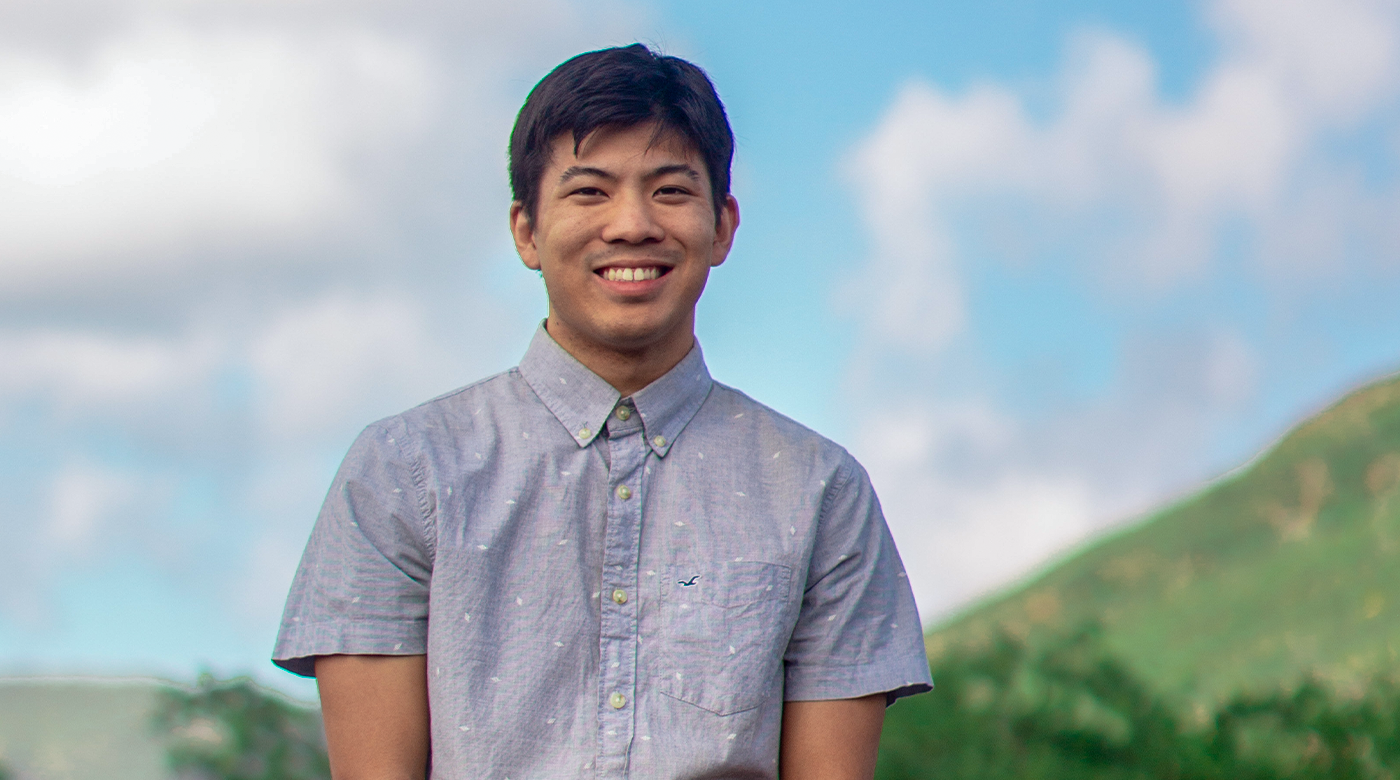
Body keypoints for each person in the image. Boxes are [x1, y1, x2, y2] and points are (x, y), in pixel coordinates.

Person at [273, 43, 931, 780]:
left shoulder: (819, 490)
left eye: (671, 191)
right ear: (526, 230)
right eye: (589, 191)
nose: (631, 224)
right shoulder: (404, 471)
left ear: (722, 226)